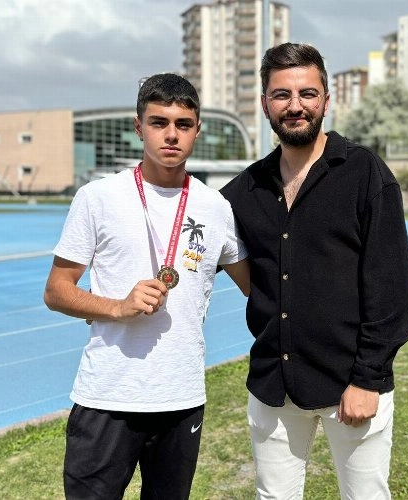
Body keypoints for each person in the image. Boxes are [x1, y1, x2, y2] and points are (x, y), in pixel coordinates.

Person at [220, 42, 408, 499]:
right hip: (273, 383)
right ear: (265, 104)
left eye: (307, 93)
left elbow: (392, 288)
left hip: (351, 382)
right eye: (282, 95)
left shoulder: (365, 173)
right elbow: (193, 233)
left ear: (327, 100)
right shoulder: (247, 188)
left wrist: (368, 378)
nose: (295, 106)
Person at [43, 73, 250, 499]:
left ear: (197, 131)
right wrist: (117, 307)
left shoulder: (215, 207)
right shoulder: (98, 197)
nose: (171, 135)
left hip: (180, 398)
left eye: (183, 124)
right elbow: (56, 289)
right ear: (139, 127)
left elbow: (257, 286)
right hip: (107, 397)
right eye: (159, 123)